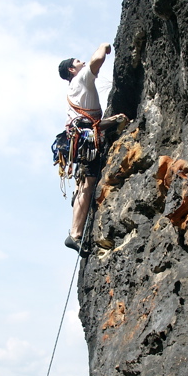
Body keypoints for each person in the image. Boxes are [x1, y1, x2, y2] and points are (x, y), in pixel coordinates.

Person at [58, 42, 127, 254]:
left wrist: (113, 121)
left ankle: (75, 228)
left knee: (84, 185)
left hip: (82, 139)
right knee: (87, 186)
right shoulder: (81, 79)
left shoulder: (74, 89)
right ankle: (75, 234)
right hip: (85, 141)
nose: (83, 62)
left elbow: (92, 124)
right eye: (78, 62)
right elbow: (97, 60)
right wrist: (103, 46)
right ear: (72, 69)